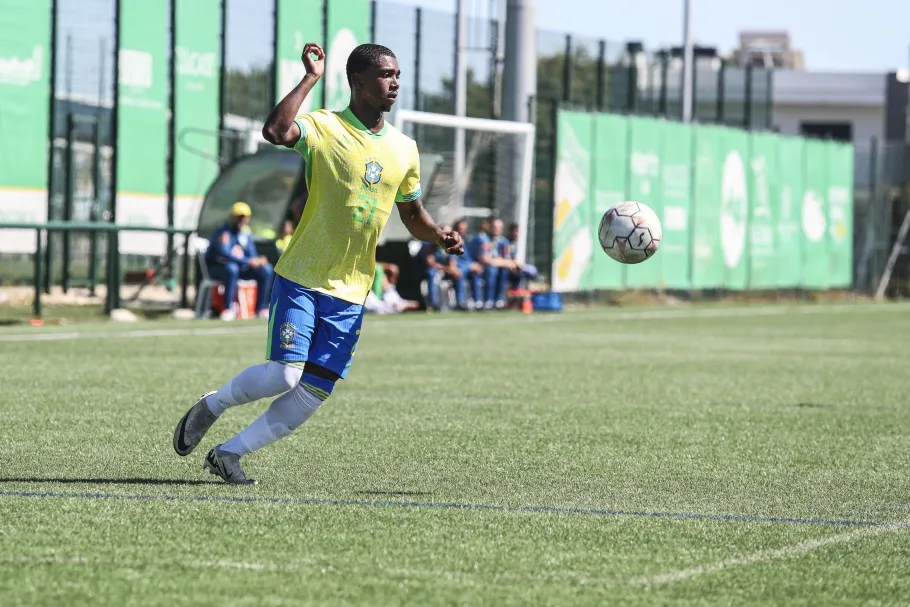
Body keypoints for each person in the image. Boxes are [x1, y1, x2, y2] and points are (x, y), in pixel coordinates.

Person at [173, 42, 463, 484]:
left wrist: (439, 235)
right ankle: (212, 405)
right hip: (304, 274)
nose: (395, 82)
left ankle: (229, 454)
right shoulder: (324, 127)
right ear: (358, 82)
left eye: (398, 74)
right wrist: (310, 77)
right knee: (284, 375)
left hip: (351, 289)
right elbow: (275, 131)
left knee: (312, 392)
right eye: (385, 74)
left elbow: (411, 212)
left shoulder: (405, 148)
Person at [204, 201, 274, 320]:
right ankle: (227, 308)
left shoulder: (245, 233)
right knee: (232, 269)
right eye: (239, 217)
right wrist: (248, 261)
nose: (241, 220)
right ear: (232, 216)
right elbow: (225, 253)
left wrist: (257, 261)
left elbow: (251, 254)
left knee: (266, 269)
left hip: (239, 268)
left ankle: (261, 308)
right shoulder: (223, 232)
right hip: (218, 268)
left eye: (244, 217)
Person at [467, 217, 517, 310]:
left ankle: (499, 301)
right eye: (495, 227)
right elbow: (485, 259)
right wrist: (501, 262)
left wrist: (501, 262)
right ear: (489, 226)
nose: (497, 229)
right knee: (492, 270)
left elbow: (508, 259)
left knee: (505, 270)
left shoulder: (503, 241)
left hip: (495, 267)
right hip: (479, 268)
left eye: (500, 227)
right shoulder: (482, 239)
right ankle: (488, 301)